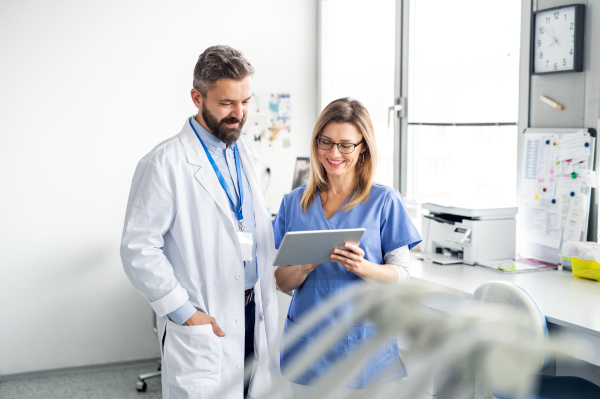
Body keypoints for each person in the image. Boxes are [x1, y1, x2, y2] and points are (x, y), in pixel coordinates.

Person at [120, 45, 280, 399]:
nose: (238, 114)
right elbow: (137, 250)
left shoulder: (247, 155)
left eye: (245, 102)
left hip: (254, 313)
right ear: (197, 97)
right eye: (226, 103)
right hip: (205, 320)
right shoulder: (164, 163)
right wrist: (184, 312)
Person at [273, 97, 422, 396]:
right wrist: (303, 266)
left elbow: (403, 275)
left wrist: (362, 267)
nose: (333, 153)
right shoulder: (294, 203)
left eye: (345, 145)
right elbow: (280, 281)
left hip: (364, 346)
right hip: (307, 345)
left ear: (363, 146)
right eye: (325, 142)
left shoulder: (384, 201)